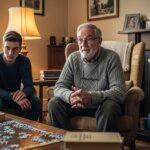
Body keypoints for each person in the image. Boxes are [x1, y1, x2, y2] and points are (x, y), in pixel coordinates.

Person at [48, 23, 126, 131]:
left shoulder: (111, 58)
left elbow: (119, 91)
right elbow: (59, 86)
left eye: (89, 39)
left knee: (111, 107)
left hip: (101, 106)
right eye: (80, 40)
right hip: (77, 105)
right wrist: (70, 96)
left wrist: (91, 97)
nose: (83, 44)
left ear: (99, 40)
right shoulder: (73, 58)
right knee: (54, 103)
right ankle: (63, 144)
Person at [0, 31, 42, 121]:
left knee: (36, 101)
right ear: (2, 47)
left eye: (15, 49)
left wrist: (23, 94)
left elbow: (29, 86)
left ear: (19, 49)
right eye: (7, 48)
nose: (10, 53)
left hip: (17, 98)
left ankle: (28, 129)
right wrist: (12, 96)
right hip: (2, 97)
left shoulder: (24, 61)